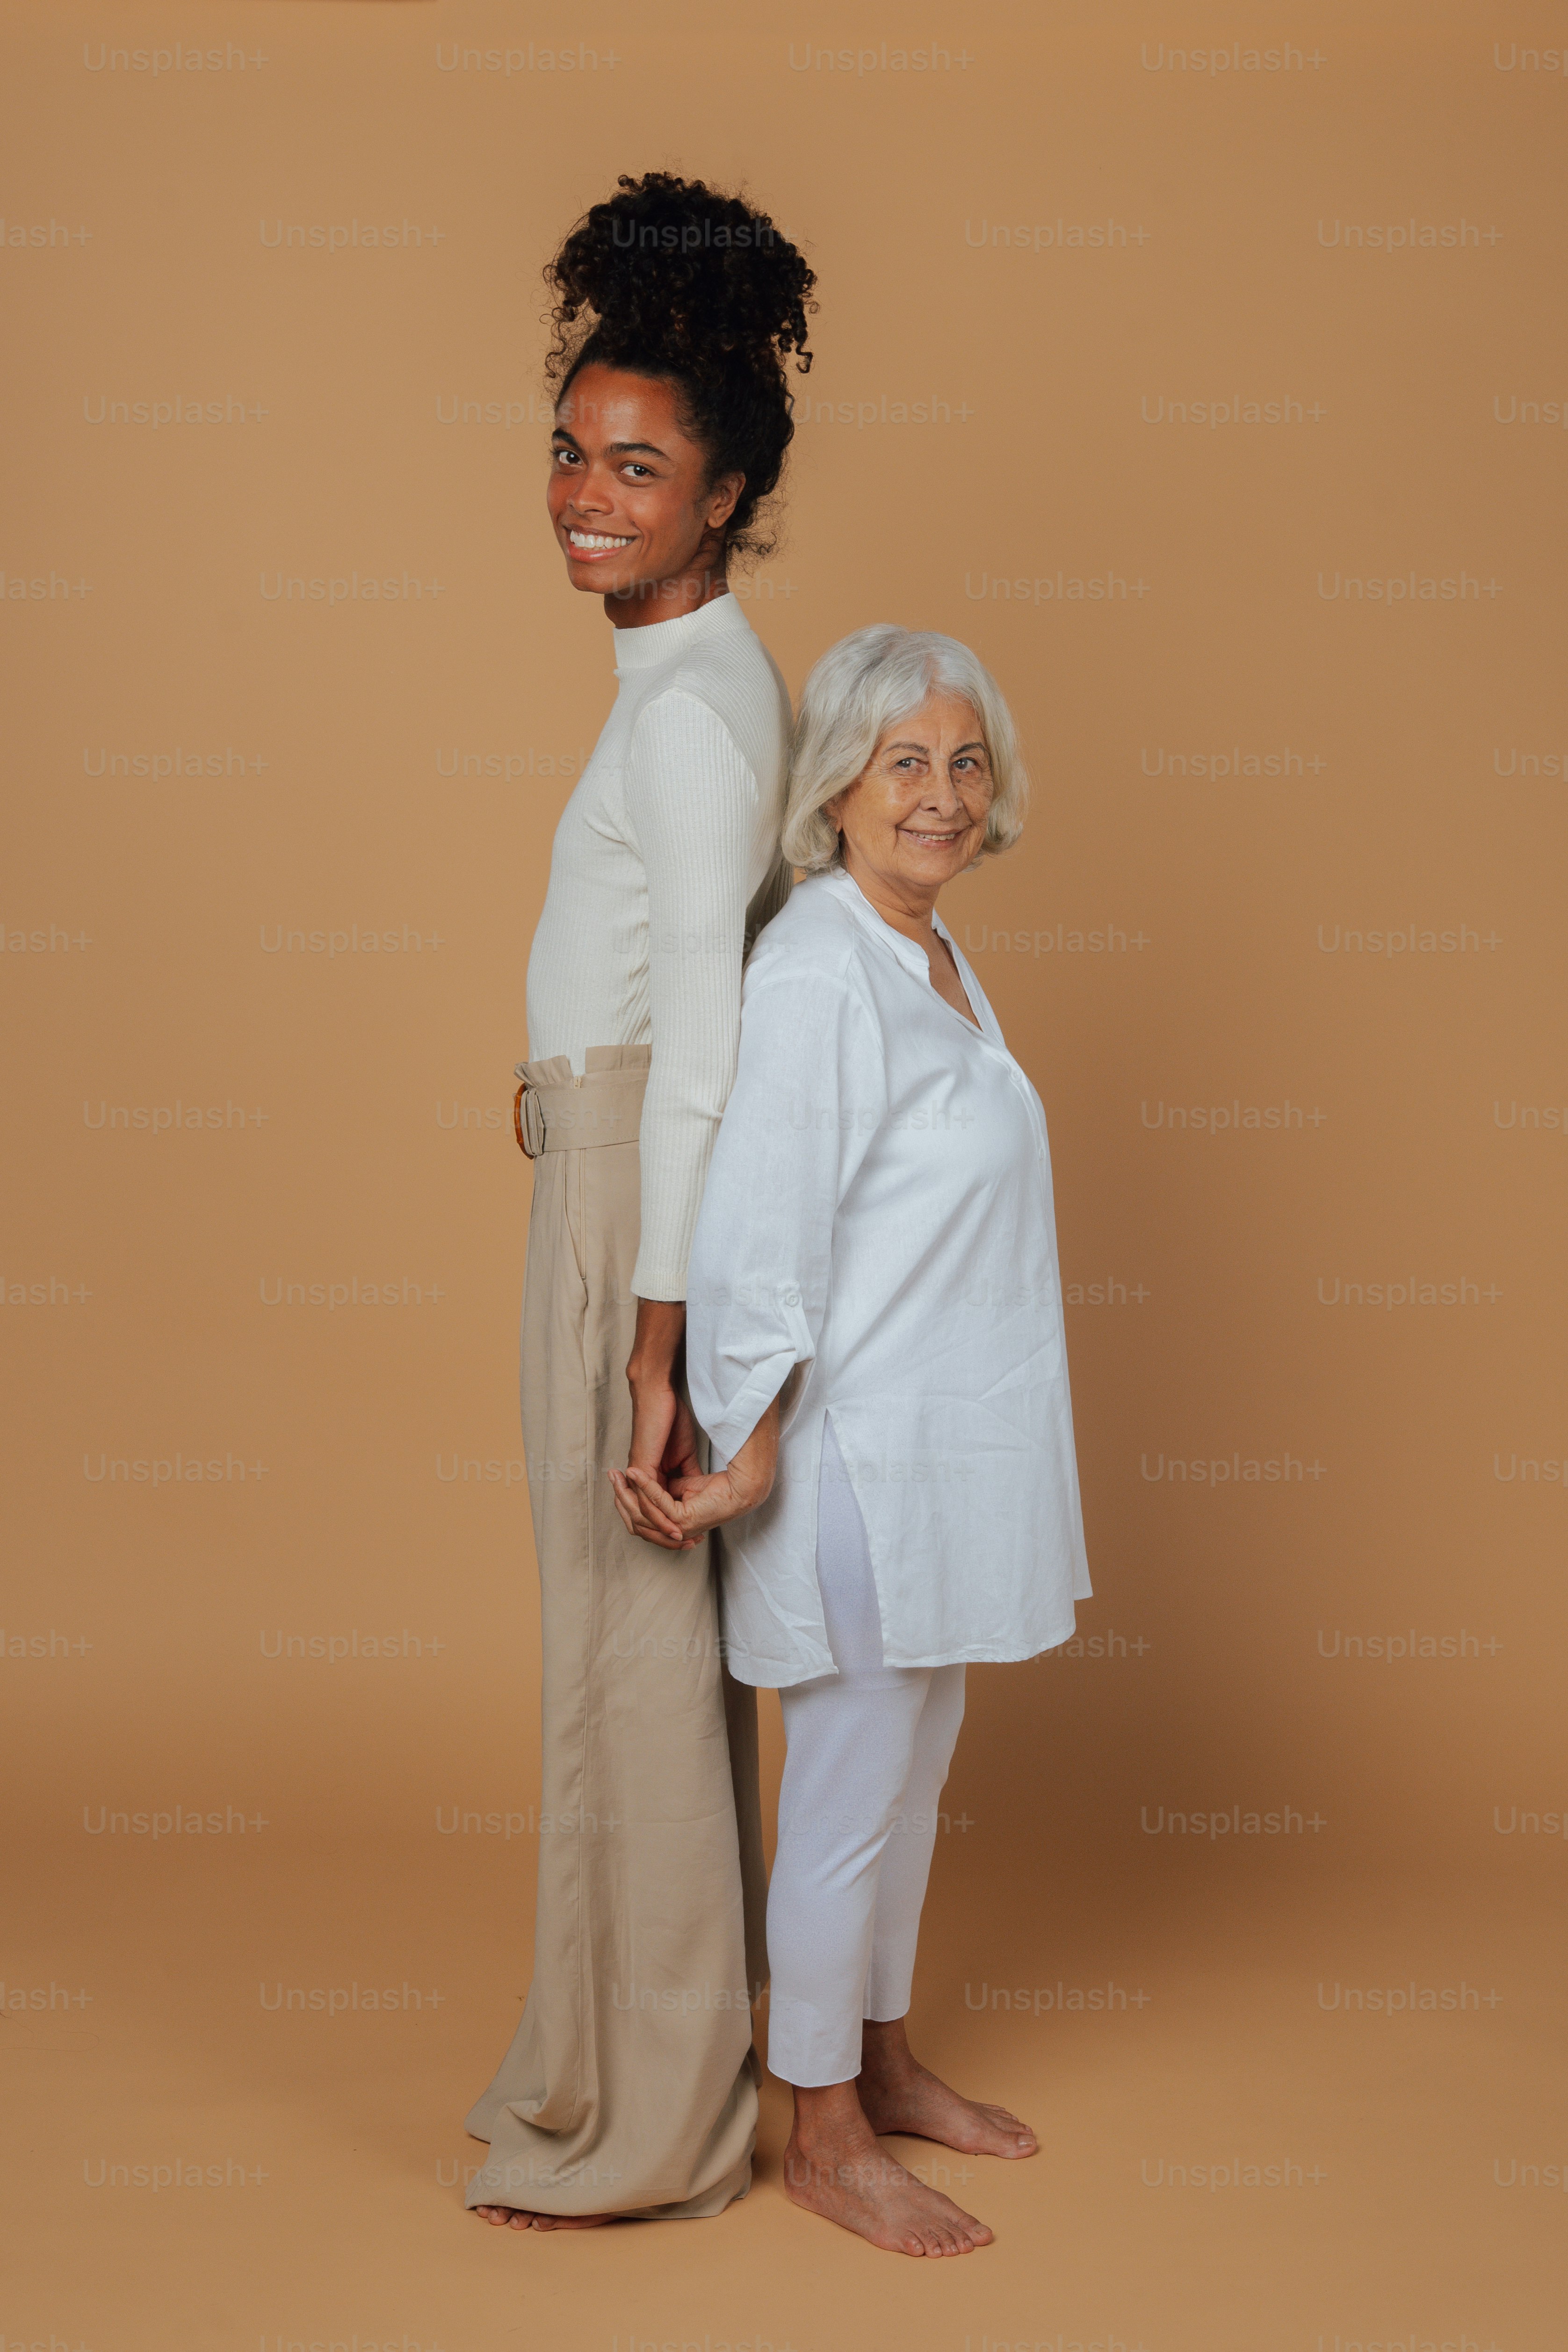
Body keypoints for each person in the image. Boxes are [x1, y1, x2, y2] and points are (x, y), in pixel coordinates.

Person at [610, 626, 1092, 2256]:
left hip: (954, 1461)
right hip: (859, 1468)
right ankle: (819, 2128)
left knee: (915, 1775)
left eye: (963, 762)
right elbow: (761, 1227)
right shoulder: (821, 960)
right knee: (848, 1792)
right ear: (837, 789)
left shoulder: (930, 954)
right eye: (904, 763)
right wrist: (741, 1445)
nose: (942, 796)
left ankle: (882, 2062)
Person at [464, 173, 814, 2230]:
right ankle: (617, 2059)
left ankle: (656, 2120)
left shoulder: (691, 718)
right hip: (612, 1187)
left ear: (723, 493)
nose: (587, 496)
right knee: (631, 1656)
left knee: (626, 1657)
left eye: (636, 468)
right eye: (571, 455)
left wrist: (653, 1339)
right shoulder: (681, 685)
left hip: (624, 1209)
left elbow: (700, 1050)